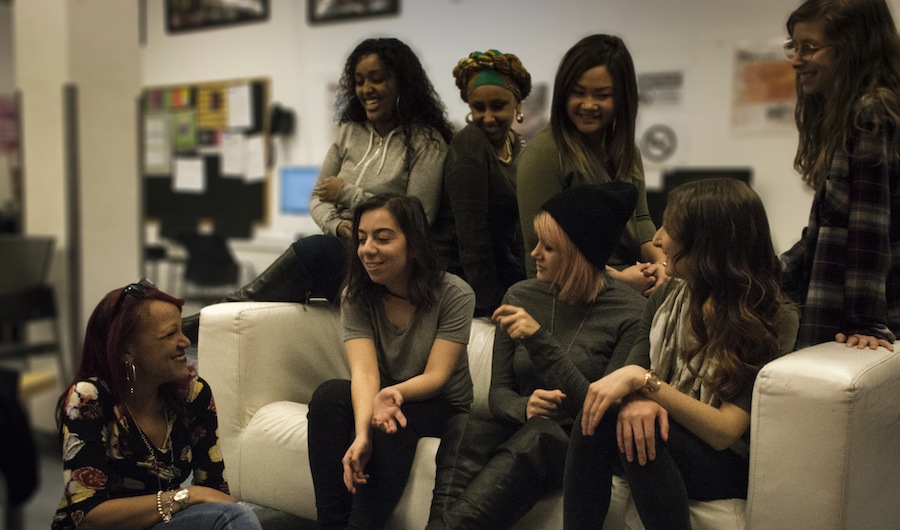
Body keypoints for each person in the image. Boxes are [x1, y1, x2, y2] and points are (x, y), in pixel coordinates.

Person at [345, 182, 646, 530]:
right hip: (525, 424)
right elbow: (500, 393)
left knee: (541, 435)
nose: (534, 254)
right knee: (469, 424)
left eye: (548, 248)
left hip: (584, 445)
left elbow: (601, 411)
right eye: (535, 243)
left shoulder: (631, 312)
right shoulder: (522, 294)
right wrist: (523, 408)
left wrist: (540, 343)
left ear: (580, 253)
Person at [557, 178, 799, 530]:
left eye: (670, 229)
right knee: (600, 418)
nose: (657, 239)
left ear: (707, 243)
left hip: (726, 462)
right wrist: (640, 394)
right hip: (669, 435)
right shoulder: (668, 297)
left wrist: (647, 388)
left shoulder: (771, 317)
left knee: (642, 431)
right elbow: (629, 373)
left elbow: (725, 432)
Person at [182, 37, 454, 343]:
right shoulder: (350, 133)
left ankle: (205, 321)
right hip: (349, 248)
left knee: (313, 251)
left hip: (394, 265)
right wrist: (339, 226)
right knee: (313, 253)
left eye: (377, 79)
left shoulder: (427, 141)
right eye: (360, 81)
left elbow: (417, 214)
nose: (366, 90)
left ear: (403, 83)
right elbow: (316, 198)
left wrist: (346, 195)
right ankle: (212, 321)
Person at [51, 279, 291, 530]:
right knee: (231, 527)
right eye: (169, 334)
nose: (184, 342)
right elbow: (90, 517)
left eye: (181, 329)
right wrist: (182, 497)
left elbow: (215, 491)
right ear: (127, 350)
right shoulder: (89, 398)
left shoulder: (194, 395)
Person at [295, 194, 475, 530]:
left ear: (413, 243)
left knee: (392, 420)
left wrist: (388, 399)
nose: (368, 250)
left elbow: (437, 376)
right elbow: (363, 372)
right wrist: (361, 434)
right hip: (385, 395)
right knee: (328, 397)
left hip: (440, 403)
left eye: (382, 238)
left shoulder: (455, 293)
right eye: (361, 238)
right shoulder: (357, 293)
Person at [779, 0, 900, 351]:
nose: (796, 59)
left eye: (809, 48)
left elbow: (869, 227)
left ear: (852, 47)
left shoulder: (871, 113)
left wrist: (865, 322)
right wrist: (764, 274)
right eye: (793, 46)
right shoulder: (850, 113)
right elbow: (823, 232)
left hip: (866, 323)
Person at [516, 34, 668, 296]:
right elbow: (541, 261)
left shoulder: (627, 149)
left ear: (622, 98)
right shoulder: (544, 154)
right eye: (578, 93)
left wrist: (663, 264)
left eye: (602, 95)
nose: (588, 105)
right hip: (571, 297)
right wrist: (617, 281)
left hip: (628, 288)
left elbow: (641, 219)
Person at [432, 49, 532, 316]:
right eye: (479, 108)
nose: (488, 117)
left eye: (498, 106)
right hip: (463, 285)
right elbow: (471, 238)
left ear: (518, 104)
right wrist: (491, 306)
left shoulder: (518, 146)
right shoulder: (469, 145)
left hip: (504, 278)